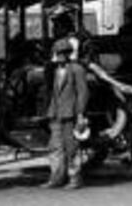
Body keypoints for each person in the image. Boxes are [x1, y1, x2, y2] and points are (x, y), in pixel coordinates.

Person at [42, 39, 89, 190]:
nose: (61, 56)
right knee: (55, 147)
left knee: (72, 148)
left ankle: (75, 178)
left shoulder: (77, 69)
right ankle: (56, 177)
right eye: (58, 53)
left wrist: (80, 113)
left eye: (63, 53)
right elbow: (53, 93)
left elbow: (83, 93)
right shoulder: (55, 70)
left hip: (71, 114)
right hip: (56, 114)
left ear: (69, 53)